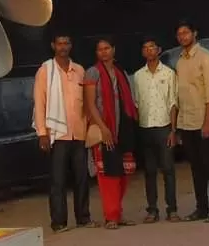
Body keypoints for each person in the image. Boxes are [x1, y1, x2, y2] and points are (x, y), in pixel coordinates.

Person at [33, 32, 97, 233]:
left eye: (66, 43)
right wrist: (42, 132)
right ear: (53, 46)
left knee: (81, 178)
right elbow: (39, 102)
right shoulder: (45, 70)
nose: (63, 47)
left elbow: (87, 102)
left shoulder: (79, 70)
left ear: (71, 46)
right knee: (58, 181)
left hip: (78, 132)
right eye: (59, 43)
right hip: (57, 133)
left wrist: (89, 126)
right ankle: (59, 222)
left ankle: (83, 218)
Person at [83, 36, 138, 229]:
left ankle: (118, 213)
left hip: (122, 128)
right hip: (104, 128)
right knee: (108, 174)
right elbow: (90, 105)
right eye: (100, 49)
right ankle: (111, 216)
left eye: (107, 48)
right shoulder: (92, 73)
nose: (104, 52)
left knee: (124, 171)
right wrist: (104, 128)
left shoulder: (120, 71)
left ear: (114, 49)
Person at [175, 20, 209, 222]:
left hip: (203, 120)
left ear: (195, 33)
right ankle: (201, 208)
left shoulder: (207, 58)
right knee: (195, 167)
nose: (183, 37)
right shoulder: (180, 61)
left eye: (186, 33)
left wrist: (207, 122)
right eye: (179, 34)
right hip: (186, 121)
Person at [132, 34, 180, 223]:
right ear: (143, 52)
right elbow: (136, 104)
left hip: (164, 127)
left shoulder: (168, 74)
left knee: (168, 169)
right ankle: (152, 210)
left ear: (159, 50)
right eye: (145, 47)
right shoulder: (137, 76)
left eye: (152, 47)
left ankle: (172, 209)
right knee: (150, 171)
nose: (149, 50)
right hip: (145, 128)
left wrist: (173, 130)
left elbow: (173, 103)